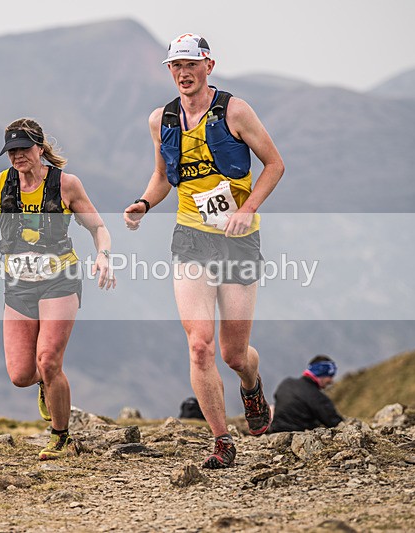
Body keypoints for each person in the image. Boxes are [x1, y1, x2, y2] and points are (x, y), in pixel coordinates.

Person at [124, 33, 285, 469]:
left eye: (190, 65)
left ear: (208, 66)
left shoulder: (234, 110)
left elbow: (274, 164)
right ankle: (221, 440)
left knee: (234, 354)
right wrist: (143, 203)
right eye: (175, 66)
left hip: (237, 239)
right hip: (191, 238)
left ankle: (251, 385)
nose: (182, 73)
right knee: (199, 345)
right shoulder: (163, 119)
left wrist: (247, 209)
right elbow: (162, 176)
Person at [0, 118, 115, 460]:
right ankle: (45, 384)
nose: (17, 156)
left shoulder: (66, 184)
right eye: (11, 151)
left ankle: (60, 437)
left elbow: (99, 228)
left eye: (23, 149)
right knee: (22, 374)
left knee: (49, 359)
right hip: (18, 286)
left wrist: (104, 257)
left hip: (59, 280)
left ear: (40, 147)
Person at [269, 355, 343, 433]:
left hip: (275, 432)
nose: (331, 381)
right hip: (298, 436)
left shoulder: (286, 383)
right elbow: (334, 422)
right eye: (330, 376)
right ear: (321, 373)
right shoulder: (317, 397)